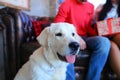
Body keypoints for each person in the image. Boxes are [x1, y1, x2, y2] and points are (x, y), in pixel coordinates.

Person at [54, 0, 111, 80]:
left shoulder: (90, 6)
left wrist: (100, 31)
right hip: (69, 38)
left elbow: (87, 28)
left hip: (85, 38)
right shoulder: (66, 4)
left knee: (104, 42)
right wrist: (76, 37)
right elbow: (57, 26)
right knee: (66, 45)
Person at [98, 0, 120, 77]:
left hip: (117, 34)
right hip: (105, 36)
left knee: (116, 41)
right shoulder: (102, 7)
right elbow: (95, 25)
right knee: (112, 46)